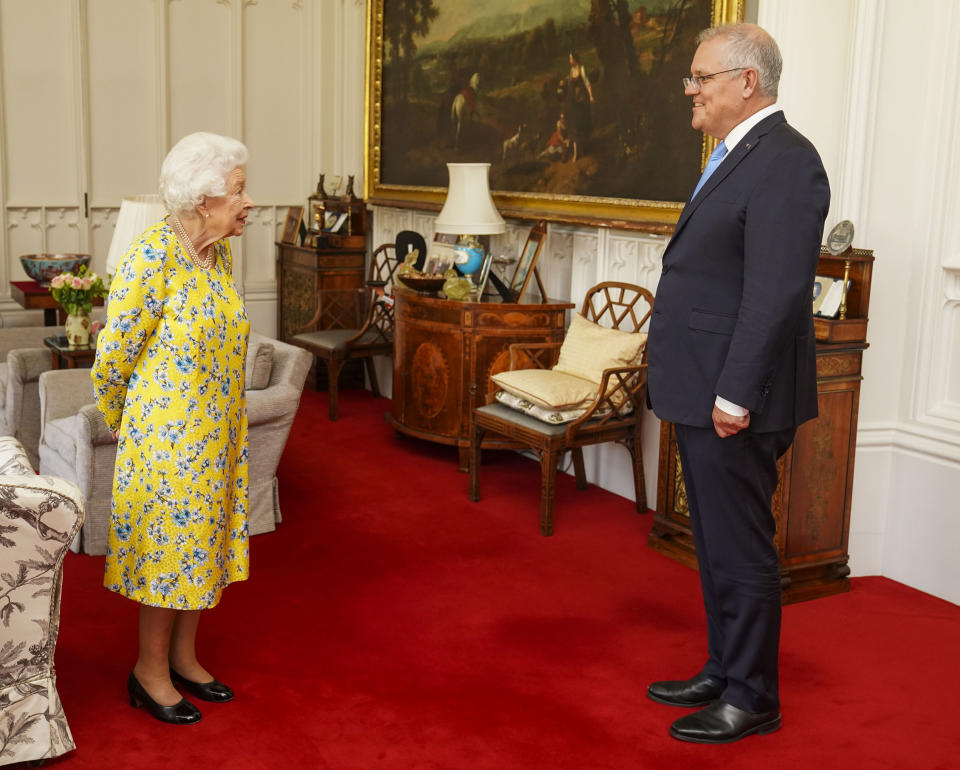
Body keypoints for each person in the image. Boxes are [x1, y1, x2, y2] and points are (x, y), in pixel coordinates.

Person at [645, 24, 830, 744]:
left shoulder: (787, 161)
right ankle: (724, 667)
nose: (690, 90)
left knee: (741, 543)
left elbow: (776, 292)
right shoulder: (734, 155)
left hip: (734, 393)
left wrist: (735, 393)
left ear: (745, 82)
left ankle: (753, 696)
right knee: (716, 540)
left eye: (701, 78)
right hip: (703, 384)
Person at [91, 131, 255, 725]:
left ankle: (184, 658)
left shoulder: (219, 254)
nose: (248, 202)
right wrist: (129, 426)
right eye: (238, 191)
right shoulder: (150, 255)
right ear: (202, 198)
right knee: (169, 556)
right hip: (167, 440)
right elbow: (114, 356)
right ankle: (148, 671)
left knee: (202, 548)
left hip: (217, 433)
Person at [563, 52, 594, 161]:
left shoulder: (582, 68)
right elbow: (569, 86)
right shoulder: (571, 71)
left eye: (571, 58)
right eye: (569, 58)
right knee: (575, 127)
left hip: (582, 100)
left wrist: (591, 96)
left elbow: (587, 82)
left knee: (582, 125)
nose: (570, 60)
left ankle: (582, 150)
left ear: (575, 58)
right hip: (574, 102)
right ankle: (576, 153)